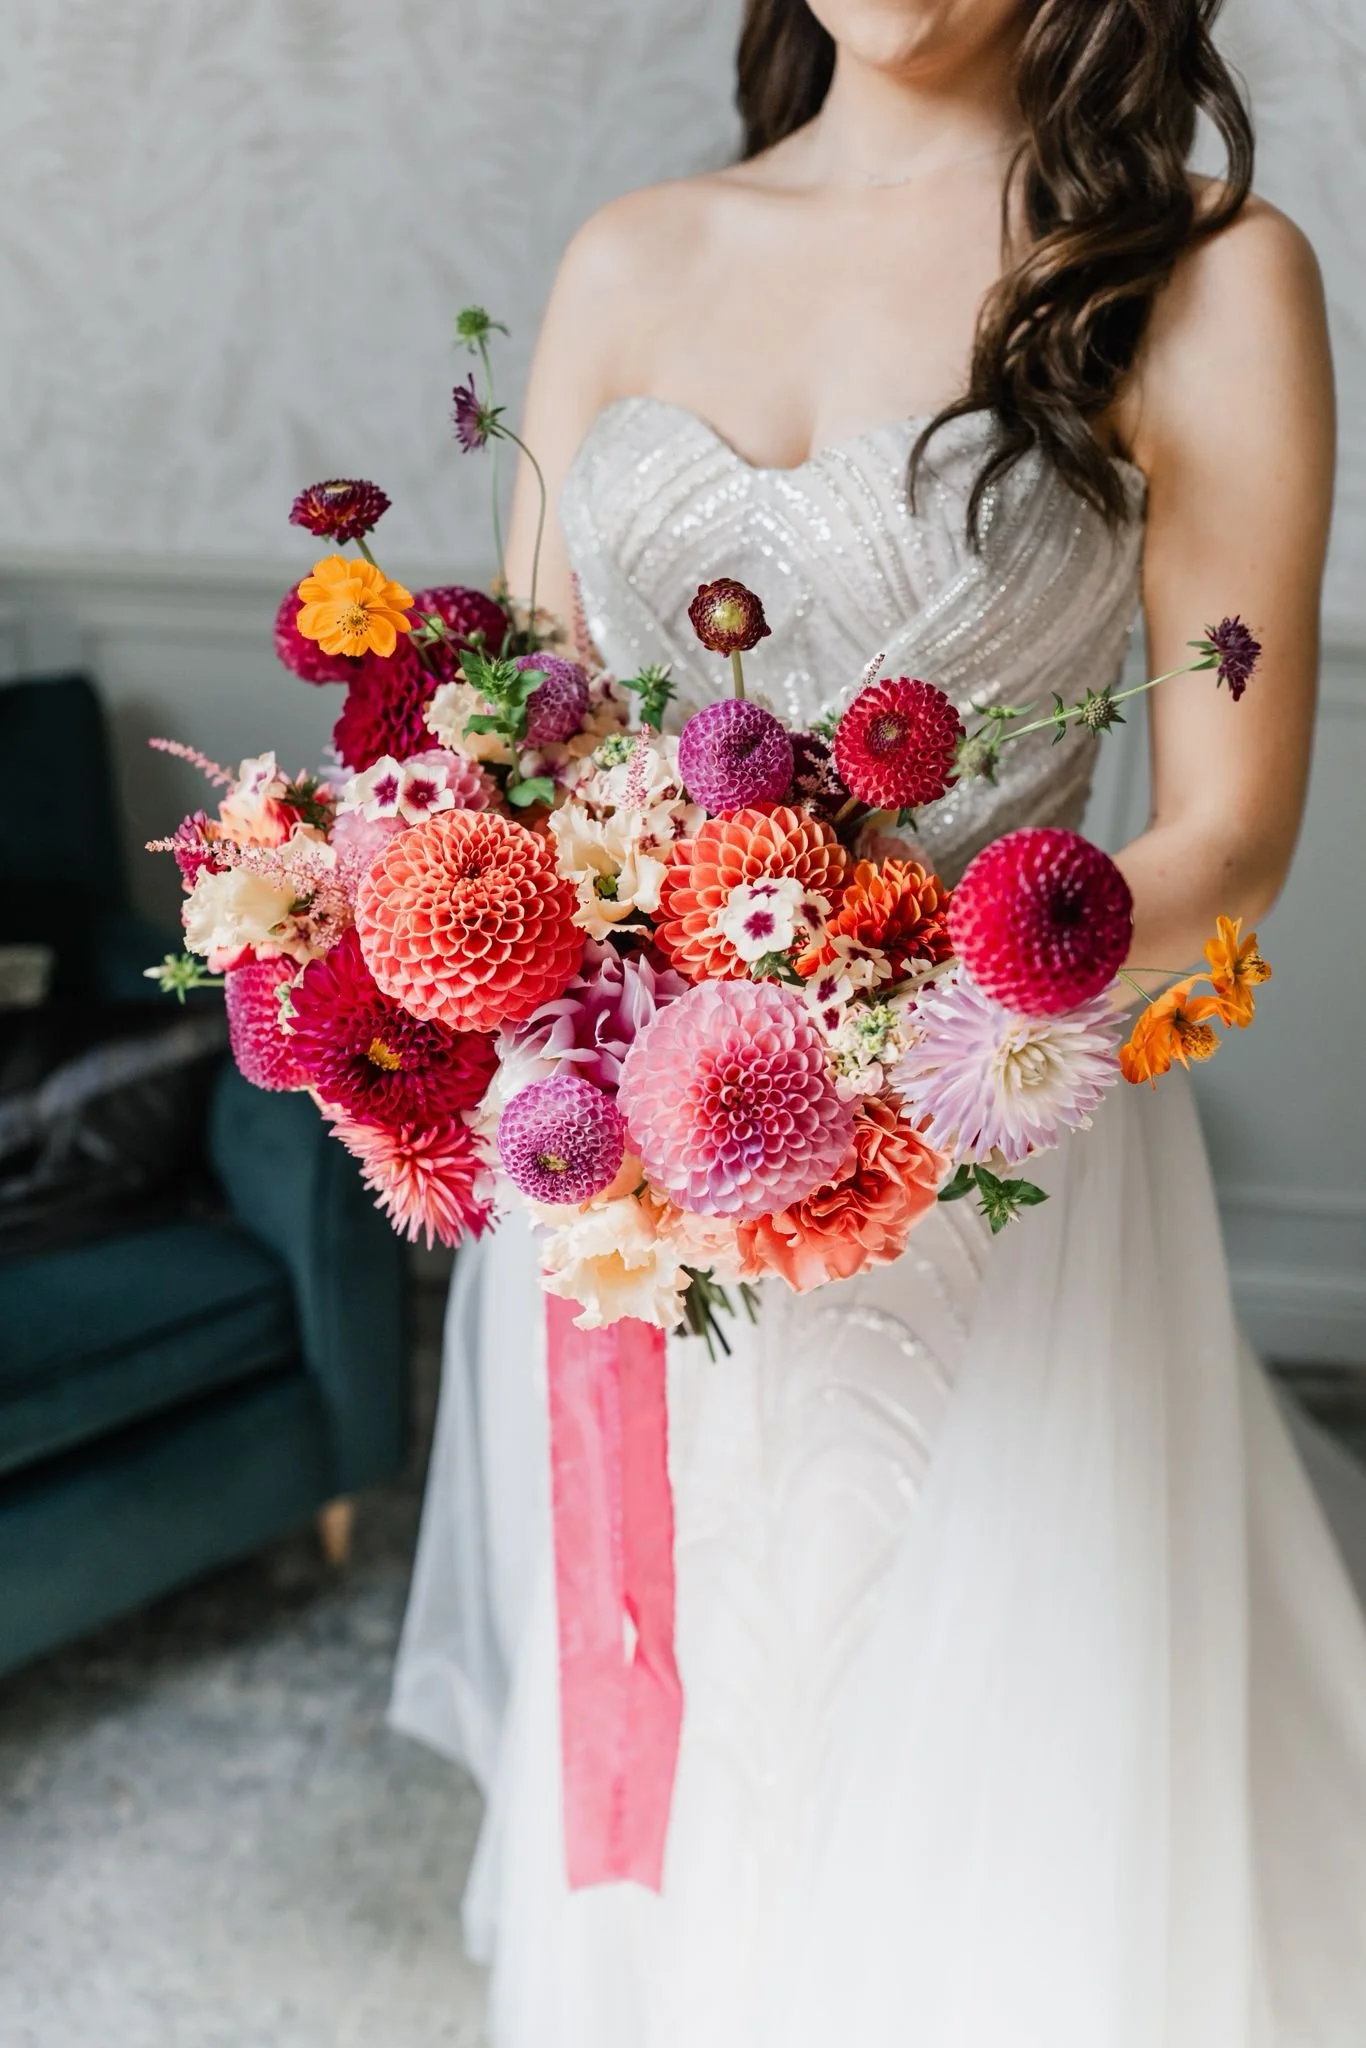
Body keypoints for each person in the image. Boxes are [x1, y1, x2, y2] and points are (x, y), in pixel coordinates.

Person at [391, 3, 1366, 2039]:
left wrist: (901, 981)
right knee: (698, 1716)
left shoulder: (1198, 277)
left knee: (988, 1757)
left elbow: (1228, 834)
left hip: (984, 1153)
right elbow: (529, 743)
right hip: (642, 1172)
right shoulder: (626, 261)